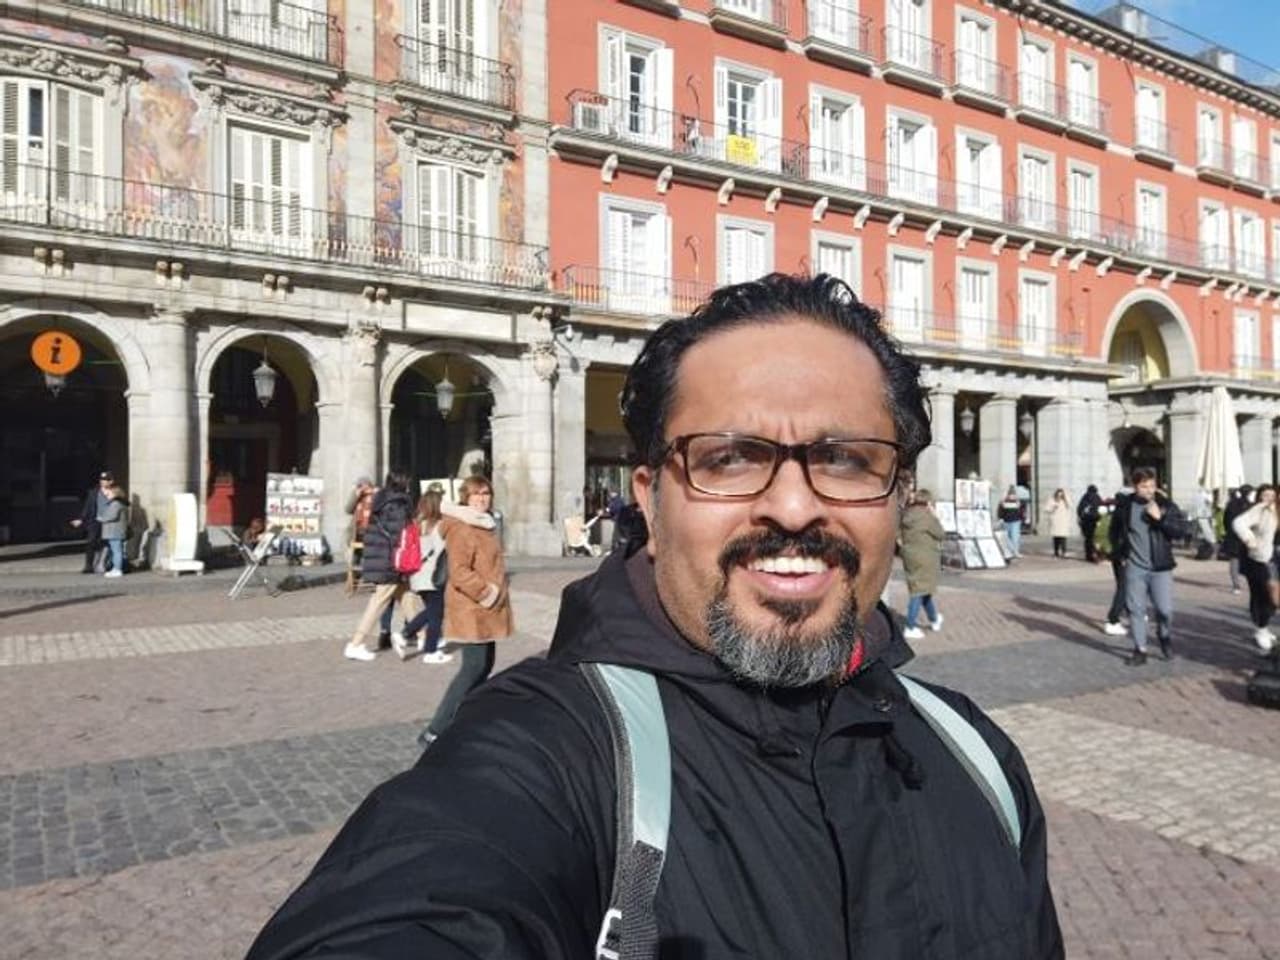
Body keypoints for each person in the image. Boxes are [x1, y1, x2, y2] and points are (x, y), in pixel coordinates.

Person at [247, 273, 1061, 959]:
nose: (791, 506)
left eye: (846, 459)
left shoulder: (979, 761)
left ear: (898, 494)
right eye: (728, 458)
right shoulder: (551, 753)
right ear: (651, 496)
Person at [416, 475, 513, 748]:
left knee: (484, 665)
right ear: (465, 498)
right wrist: (487, 593)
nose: (482, 498)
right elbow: (459, 572)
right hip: (473, 608)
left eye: (486, 493)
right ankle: (435, 729)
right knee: (473, 667)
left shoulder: (485, 523)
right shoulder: (463, 527)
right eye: (476, 494)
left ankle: (466, 721)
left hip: (486, 609)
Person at [1108, 468, 1188, 666]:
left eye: (1152, 485)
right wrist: (1120, 554)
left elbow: (1180, 531)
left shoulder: (1166, 505)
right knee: (1136, 610)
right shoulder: (1125, 506)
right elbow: (1115, 532)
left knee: (1165, 610)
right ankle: (1140, 650)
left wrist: (1160, 519)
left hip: (1160, 567)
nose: (1149, 490)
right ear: (1135, 487)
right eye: (1144, 486)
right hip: (1135, 567)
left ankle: (1164, 635)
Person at [343, 470, 419, 662]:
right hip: (391, 561)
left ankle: (427, 638)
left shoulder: (381, 500)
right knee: (378, 601)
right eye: (408, 482)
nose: (409, 486)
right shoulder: (397, 504)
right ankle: (356, 643)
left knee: (407, 598)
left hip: (383, 557)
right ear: (402, 483)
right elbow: (399, 535)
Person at [392, 490, 454, 665]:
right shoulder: (440, 526)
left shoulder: (417, 525)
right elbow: (444, 550)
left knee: (432, 612)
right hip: (434, 575)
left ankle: (425, 642)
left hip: (418, 576)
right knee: (435, 615)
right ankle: (426, 648)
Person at [1231, 483, 1278, 652]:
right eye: (1265, 495)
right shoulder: (1261, 510)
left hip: (1276, 557)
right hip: (1261, 558)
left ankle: (1263, 626)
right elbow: (1238, 522)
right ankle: (1261, 629)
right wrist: (1249, 539)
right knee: (1266, 596)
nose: (1269, 499)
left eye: (1272, 496)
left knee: (1272, 597)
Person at [899, 488, 945, 640]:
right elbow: (940, 534)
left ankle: (934, 619)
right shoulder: (927, 517)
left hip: (910, 556)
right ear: (928, 502)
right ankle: (910, 626)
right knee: (918, 592)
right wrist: (935, 516)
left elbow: (898, 534)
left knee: (923, 589)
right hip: (925, 557)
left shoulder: (907, 515)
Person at [70, 472, 114, 574]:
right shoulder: (93, 492)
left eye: (106, 480)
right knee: (91, 542)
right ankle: (88, 566)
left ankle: (105, 564)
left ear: (111, 481)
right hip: (95, 521)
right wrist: (81, 519)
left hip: (109, 522)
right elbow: (88, 507)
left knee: (106, 543)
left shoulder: (114, 492)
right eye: (102, 480)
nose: (103, 482)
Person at [1222, 485, 1253, 595]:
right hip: (1246, 536)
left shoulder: (1231, 504)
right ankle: (1251, 583)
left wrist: (1229, 531)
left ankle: (1236, 585)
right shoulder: (1251, 506)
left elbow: (1225, 520)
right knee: (1250, 561)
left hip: (1233, 536)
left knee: (1234, 560)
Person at [98, 482, 129, 578]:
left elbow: (111, 516)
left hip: (114, 531)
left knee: (116, 551)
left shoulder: (116, 504)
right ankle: (115, 568)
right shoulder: (119, 503)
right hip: (115, 531)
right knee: (116, 550)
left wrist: (101, 518)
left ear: (115, 493)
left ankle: (117, 569)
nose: (107, 494)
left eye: (110, 493)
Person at [1077, 484, 1102, 563]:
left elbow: (1079, 509)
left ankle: (1088, 555)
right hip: (1095, 520)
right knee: (1094, 539)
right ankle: (1095, 555)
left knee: (1088, 539)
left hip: (1086, 521)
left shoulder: (1085, 497)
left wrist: (1081, 518)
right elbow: (1101, 508)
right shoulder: (1097, 497)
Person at [1043, 488, 1072, 558]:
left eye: (1061, 495)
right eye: (1058, 495)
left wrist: (1065, 501)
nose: (1059, 497)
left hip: (1063, 521)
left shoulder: (1066, 500)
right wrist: (1053, 508)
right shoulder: (1052, 500)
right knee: (1056, 538)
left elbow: (1070, 506)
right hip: (1055, 521)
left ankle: (1064, 552)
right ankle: (1056, 552)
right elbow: (1046, 509)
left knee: (1063, 538)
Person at [997, 484, 1023, 558]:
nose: (1012, 496)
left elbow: (1020, 511)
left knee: (1015, 537)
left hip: (1015, 521)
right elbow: (1000, 511)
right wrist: (1000, 518)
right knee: (1007, 538)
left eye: (1013, 495)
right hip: (1006, 521)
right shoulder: (1003, 502)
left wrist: (1021, 518)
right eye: (1011, 495)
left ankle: (1015, 552)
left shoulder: (1017, 502)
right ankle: (1011, 551)